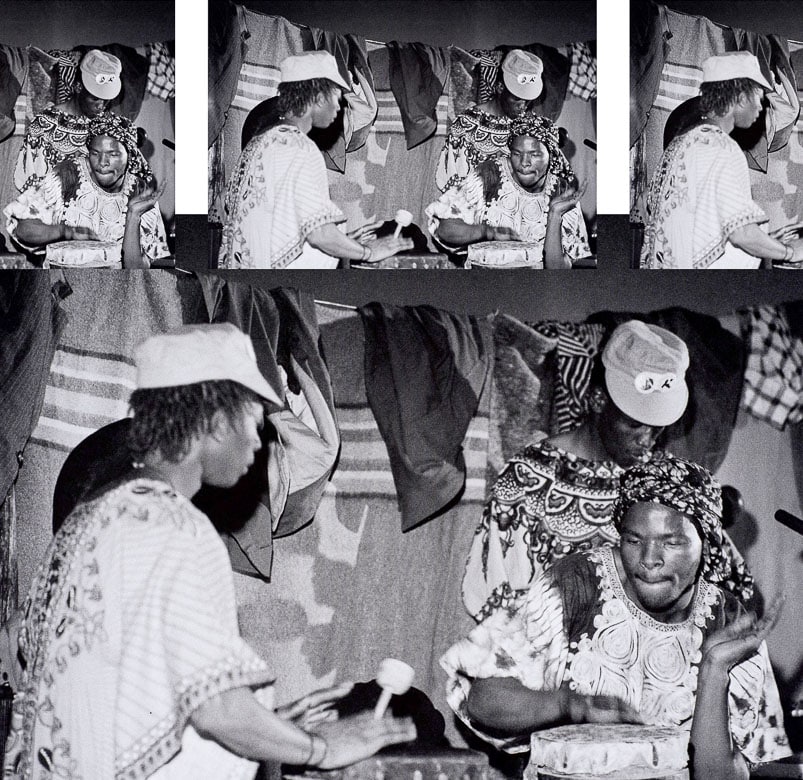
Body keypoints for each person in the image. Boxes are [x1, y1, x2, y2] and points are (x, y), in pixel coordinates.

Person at [2, 324, 415, 778]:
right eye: (256, 424)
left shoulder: (86, 526)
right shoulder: (179, 528)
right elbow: (216, 709)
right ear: (217, 424)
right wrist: (320, 748)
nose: (260, 444)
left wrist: (271, 730)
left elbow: (122, 701)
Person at [441, 456, 791, 780]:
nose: (648, 559)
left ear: (707, 543)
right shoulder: (578, 583)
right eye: (634, 539)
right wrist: (569, 704)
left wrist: (715, 669)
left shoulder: (728, 620)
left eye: (672, 542)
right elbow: (484, 699)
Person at [462, 319, 752, 620]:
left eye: (658, 427)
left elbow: (733, 587)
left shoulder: (668, 480)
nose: (648, 439)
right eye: (636, 424)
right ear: (598, 399)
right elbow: (491, 599)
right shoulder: (529, 479)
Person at [219, 51, 412, 269]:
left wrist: (347, 242)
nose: (339, 108)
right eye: (337, 99)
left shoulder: (259, 144)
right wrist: (367, 252)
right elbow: (320, 234)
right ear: (319, 99)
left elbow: (274, 227)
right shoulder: (301, 147)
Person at [641, 51, 803, 269]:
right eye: (759, 98)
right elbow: (742, 233)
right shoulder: (722, 147)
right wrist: (790, 252)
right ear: (741, 97)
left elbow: (699, 229)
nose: (760, 108)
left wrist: (768, 243)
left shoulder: (679, 146)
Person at [3, 112, 168, 268]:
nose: (102, 162)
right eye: (95, 153)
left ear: (130, 155)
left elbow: (137, 269)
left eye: (113, 154)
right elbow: (22, 228)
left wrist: (134, 216)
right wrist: (66, 232)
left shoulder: (139, 191)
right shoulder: (69, 174)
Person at [426, 114, 589, 268]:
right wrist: (488, 232)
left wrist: (555, 215)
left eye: (535, 154)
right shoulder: (490, 175)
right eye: (517, 153)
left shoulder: (561, 191)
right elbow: (445, 228)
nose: (524, 163)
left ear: (551, 155)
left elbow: (559, 271)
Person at [14, 49, 124, 194]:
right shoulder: (44, 125)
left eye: (107, 100)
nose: (102, 105)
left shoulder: (110, 126)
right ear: (78, 87)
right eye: (96, 98)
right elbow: (28, 181)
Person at [436, 49, 545, 193]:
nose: (524, 106)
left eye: (529, 100)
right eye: (518, 98)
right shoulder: (467, 126)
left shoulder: (532, 126)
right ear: (500, 87)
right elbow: (450, 182)